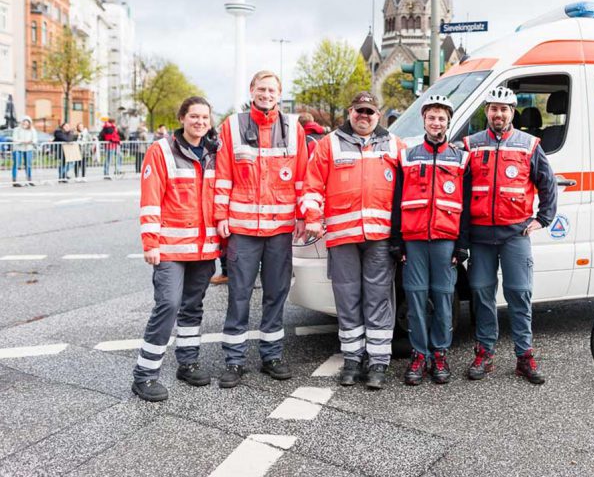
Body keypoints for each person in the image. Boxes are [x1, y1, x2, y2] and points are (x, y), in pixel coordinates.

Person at [214, 70, 307, 388]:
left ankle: (272, 356)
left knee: (276, 294)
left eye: (272, 90)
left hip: (280, 229)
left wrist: (303, 216)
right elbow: (223, 173)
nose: (266, 94)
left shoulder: (294, 128)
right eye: (261, 88)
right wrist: (220, 214)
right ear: (251, 90)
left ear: (280, 95)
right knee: (238, 295)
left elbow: (302, 179)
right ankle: (234, 360)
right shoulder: (232, 126)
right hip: (243, 228)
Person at [304, 91, 402, 390]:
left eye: (369, 112)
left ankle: (378, 363)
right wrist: (311, 216)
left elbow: (411, 186)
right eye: (359, 111)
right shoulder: (328, 144)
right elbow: (312, 185)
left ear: (378, 115)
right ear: (350, 112)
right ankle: (352, 359)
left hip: (380, 237)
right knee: (348, 300)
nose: (364, 116)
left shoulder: (395, 145)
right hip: (342, 236)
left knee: (378, 299)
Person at [462, 86, 557, 385]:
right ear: (486, 111)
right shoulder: (470, 145)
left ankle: (524, 356)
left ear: (512, 112)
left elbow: (548, 182)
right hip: (480, 235)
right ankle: (485, 352)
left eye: (504, 108)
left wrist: (543, 218)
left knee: (519, 293)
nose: (498, 113)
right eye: (493, 108)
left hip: (515, 233)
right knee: (481, 292)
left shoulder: (528, 144)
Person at [132, 96, 221, 402]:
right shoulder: (162, 150)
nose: (200, 122)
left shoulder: (214, 152)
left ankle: (188, 361)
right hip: (170, 248)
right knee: (168, 305)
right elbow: (151, 198)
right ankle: (145, 375)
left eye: (205, 118)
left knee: (192, 308)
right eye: (194, 116)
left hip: (204, 249)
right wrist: (151, 243)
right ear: (182, 118)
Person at [391, 94, 469, 386]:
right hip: (413, 241)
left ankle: (439, 354)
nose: (436, 123)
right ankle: (419, 354)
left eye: (441, 118)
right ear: (424, 120)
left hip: (445, 241)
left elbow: (466, 206)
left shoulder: (461, 158)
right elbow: (397, 199)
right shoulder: (408, 156)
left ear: (448, 122)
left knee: (444, 300)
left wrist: (462, 244)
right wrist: (396, 239)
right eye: (431, 117)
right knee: (415, 299)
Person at [11, 116, 37, 187]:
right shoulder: (17, 129)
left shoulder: (32, 130)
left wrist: (31, 142)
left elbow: (35, 139)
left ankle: (29, 180)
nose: (25, 124)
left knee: (28, 165)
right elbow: (14, 139)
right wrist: (23, 141)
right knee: (16, 164)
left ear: (29, 123)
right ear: (22, 122)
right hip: (18, 148)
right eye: (24, 122)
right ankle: (14, 181)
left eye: (27, 123)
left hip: (28, 149)